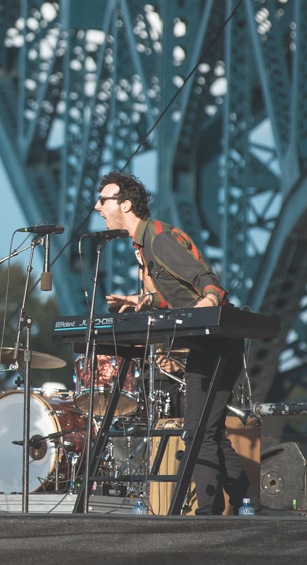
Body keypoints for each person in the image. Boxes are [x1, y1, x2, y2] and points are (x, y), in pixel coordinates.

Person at [94, 171, 250, 515]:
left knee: (198, 430)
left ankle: (208, 513)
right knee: (208, 428)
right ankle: (245, 500)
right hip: (211, 342)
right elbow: (178, 294)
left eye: (103, 200)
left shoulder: (159, 241)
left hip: (216, 342)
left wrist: (210, 300)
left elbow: (206, 280)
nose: (97, 206)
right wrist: (145, 301)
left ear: (125, 204)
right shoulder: (144, 244)